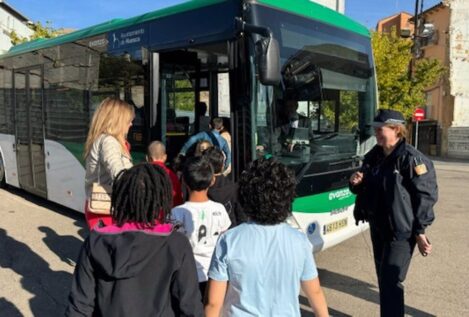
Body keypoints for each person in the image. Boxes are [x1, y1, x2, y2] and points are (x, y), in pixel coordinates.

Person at [66, 163, 203, 316]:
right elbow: (190, 307)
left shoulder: (95, 241)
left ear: (120, 198)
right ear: (161, 199)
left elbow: (79, 307)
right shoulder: (176, 244)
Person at [205, 158, 329, 317]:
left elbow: (213, 303)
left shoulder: (229, 240)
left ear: (245, 195)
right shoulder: (300, 241)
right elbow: (315, 292)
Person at [349, 109, 437, 317]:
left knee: (391, 280)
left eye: (381, 129)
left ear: (396, 130)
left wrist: (420, 230)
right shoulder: (374, 157)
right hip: (378, 228)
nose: (376, 133)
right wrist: (355, 184)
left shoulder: (412, 159)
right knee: (383, 279)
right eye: (375, 129)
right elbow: (366, 186)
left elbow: (425, 196)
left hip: (401, 231)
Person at [171, 156, 231, 298]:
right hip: (214, 275)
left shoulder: (176, 213)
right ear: (212, 180)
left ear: (184, 180)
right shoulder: (220, 209)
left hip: (185, 275)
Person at [84, 97, 134, 229]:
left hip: (106, 207)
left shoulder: (105, 139)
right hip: (107, 209)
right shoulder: (109, 142)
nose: (131, 125)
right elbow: (118, 174)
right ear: (118, 121)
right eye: (128, 121)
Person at [202, 147, 246, 227]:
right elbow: (241, 218)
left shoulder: (200, 190)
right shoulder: (234, 188)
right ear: (222, 166)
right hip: (230, 234)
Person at [146, 140, 183, 207]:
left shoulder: (144, 174)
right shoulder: (172, 175)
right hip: (169, 214)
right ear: (165, 157)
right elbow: (178, 201)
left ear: (148, 158)